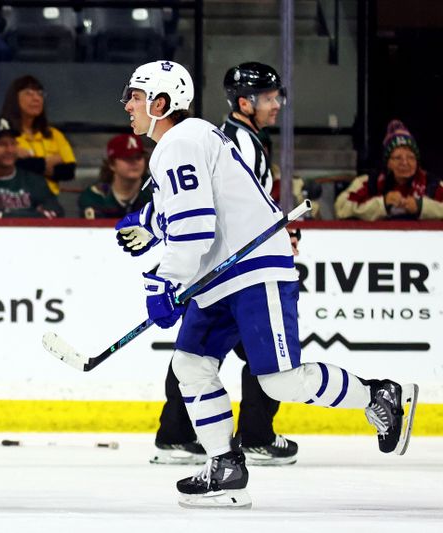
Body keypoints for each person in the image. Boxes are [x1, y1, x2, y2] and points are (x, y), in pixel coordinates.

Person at [116, 60, 418, 509]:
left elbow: (196, 228)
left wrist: (162, 283)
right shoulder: (187, 140)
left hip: (253, 272)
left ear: (161, 104)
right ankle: (225, 465)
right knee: (191, 366)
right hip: (217, 276)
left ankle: (380, 396)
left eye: (136, 97)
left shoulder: (180, 142)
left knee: (280, 382)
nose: (128, 105)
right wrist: (155, 229)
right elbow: (195, 212)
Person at [150, 62, 299, 468]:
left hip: (226, 264)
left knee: (197, 353)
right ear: (245, 102)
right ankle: (253, 436)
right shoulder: (237, 142)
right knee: (239, 356)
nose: (277, 105)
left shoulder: (238, 138)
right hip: (234, 268)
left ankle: (178, 434)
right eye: (269, 98)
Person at [334, 120, 443, 220]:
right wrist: (383, 204)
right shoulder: (370, 182)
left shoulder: (431, 184)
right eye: (398, 158)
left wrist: (422, 207)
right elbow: (341, 208)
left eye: (410, 157)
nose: (405, 163)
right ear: (388, 163)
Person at [0, 75, 76, 195]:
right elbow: (9, 167)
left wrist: (30, 162)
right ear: (14, 98)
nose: (37, 98)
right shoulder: (2, 132)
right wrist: (47, 163)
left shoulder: (54, 134)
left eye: (40, 93)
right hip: (14, 199)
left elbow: (68, 172)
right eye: (29, 93)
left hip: (48, 201)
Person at [79, 133, 152, 219]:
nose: (134, 162)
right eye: (127, 158)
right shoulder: (94, 196)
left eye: (138, 157)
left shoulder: (156, 192)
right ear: (111, 164)